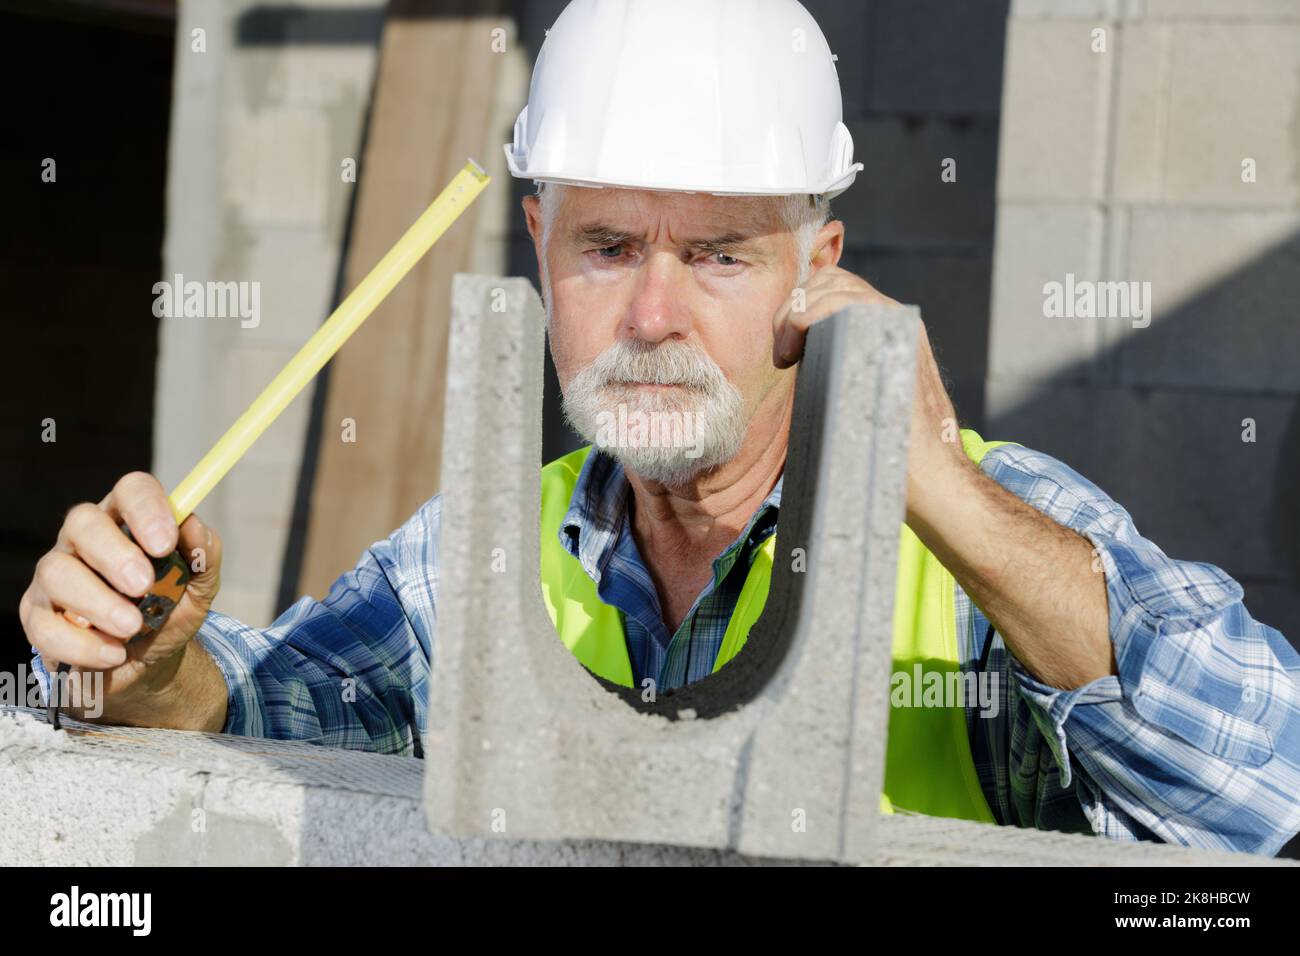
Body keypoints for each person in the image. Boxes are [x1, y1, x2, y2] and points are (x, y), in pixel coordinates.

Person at [19, 0, 1300, 854]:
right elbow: (271, 717)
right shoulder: (479, 550)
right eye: (609, 244)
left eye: (719, 255)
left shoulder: (978, 530)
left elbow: (1262, 794)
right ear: (539, 247)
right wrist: (143, 662)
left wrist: (944, 494)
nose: (649, 310)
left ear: (821, 267)